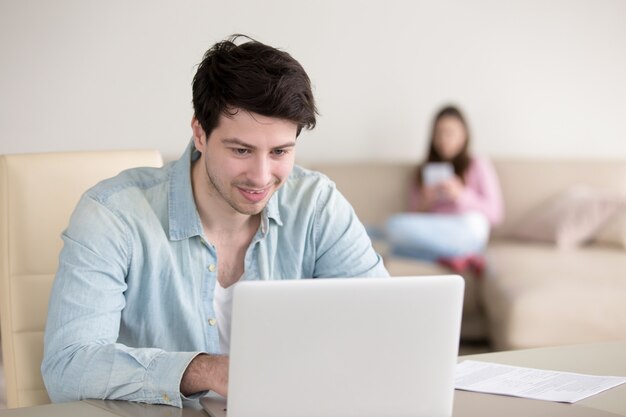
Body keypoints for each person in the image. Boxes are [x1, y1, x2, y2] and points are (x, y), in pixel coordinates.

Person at [41, 35, 388, 408]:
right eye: (241, 150)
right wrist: (207, 371)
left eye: (279, 152)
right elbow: (68, 367)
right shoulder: (113, 215)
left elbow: (385, 328)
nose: (260, 176)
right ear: (200, 134)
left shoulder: (317, 206)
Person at [386, 105, 503, 268]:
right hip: (435, 229)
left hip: (466, 226)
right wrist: (425, 202)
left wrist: (462, 195)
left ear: (464, 135)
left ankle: (448, 254)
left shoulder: (478, 165)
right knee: (395, 230)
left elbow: (495, 214)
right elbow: (413, 221)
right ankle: (457, 258)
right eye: (438, 133)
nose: (443, 139)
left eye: (450, 133)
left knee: (394, 231)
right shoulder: (421, 172)